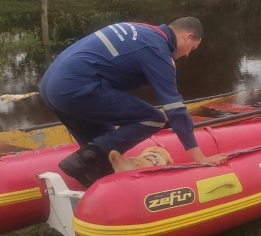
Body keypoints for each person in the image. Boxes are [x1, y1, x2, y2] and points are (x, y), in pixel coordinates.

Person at [40, 17, 227, 188]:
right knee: (153, 119)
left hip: (52, 87)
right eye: (192, 49)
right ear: (188, 36)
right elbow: (175, 107)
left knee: (107, 150)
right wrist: (200, 158)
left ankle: (99, 190)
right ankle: (80, 161)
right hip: (75, 87)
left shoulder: (143, 31)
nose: (187, 55)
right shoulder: (157, 50)